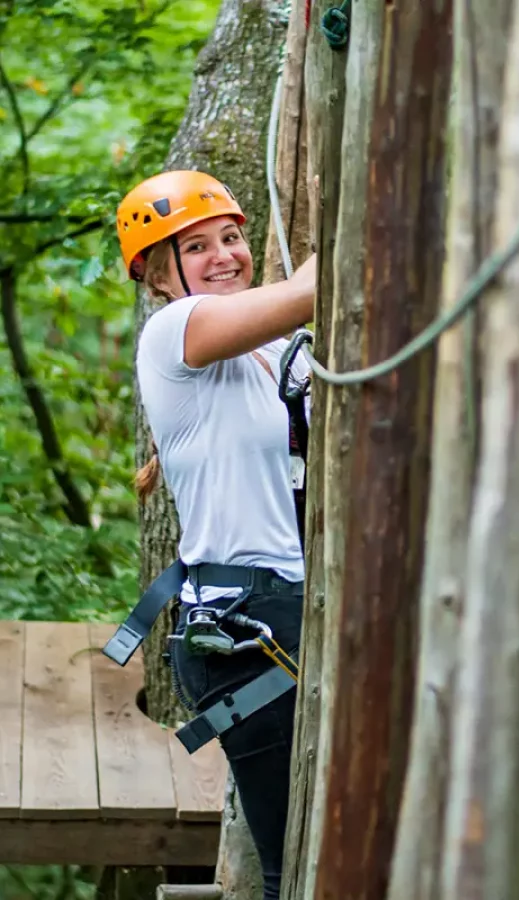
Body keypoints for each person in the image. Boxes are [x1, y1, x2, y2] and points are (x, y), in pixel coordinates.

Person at [116, 169, 315, 900]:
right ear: (158, 277)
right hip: (249, 626)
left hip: (283, 612)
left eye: (232, 237)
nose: (225, 254)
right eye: (196, 247)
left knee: (319, 845)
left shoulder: (270, 351)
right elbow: (318, 289)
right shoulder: (173, 332)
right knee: (290, 865)